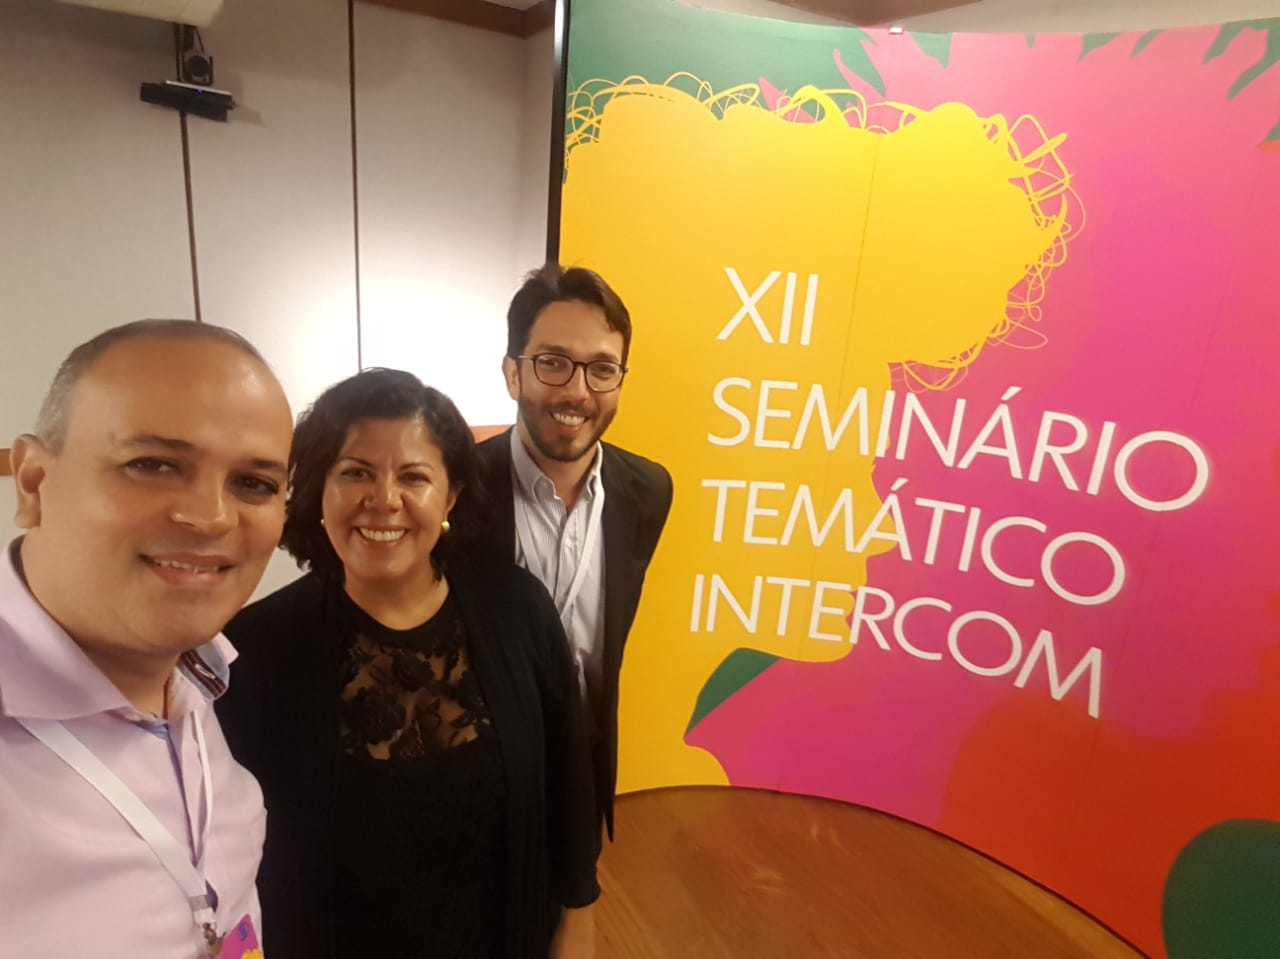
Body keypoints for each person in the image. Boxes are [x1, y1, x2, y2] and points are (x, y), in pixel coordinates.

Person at [215, 368, 599, 959]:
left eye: (413, 477)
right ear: (319, 489)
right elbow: (224, 847)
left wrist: (579, 920)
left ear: (450, 497)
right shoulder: (255, 646)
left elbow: (568, 779)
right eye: (356, 472)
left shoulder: (518, 610)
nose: (384, 500)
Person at [0, 320, 293, 958]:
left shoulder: (199, 672)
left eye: (254, 483)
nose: (211, 516)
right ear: (34, 482)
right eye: (154, 465)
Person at [458, 264, 673, 864]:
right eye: (553, 362)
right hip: (476, 771)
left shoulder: (648, 491)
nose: (578, 391)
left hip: (584, 763)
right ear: (513, 373)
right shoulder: (457, 489)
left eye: (602, 368)